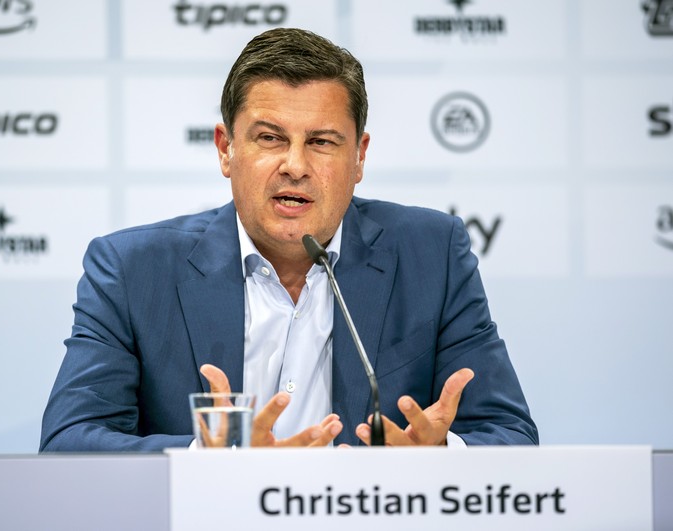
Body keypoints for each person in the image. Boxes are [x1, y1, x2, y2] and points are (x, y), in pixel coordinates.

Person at [40, 28, 537, 452]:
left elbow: (511, 434)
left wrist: (443, 455)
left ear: (359, 157)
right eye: (270, 138)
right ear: (225, 150)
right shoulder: (132, 270)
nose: (295, 166)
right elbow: (70, 442)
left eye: (321, 142)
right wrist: (207, 457)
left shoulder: (432, 254)